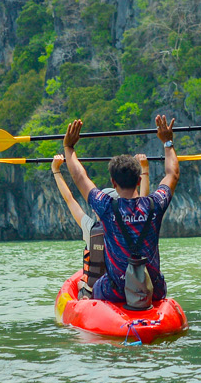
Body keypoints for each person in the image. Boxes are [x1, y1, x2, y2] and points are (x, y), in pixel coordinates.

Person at [63, 115, 180, 306]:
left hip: (116, 291)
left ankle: (87, 301)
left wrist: (69, 148)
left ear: (113, 183)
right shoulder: (155, 204)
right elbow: (172, 174)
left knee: (94, 285)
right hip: (154, 289)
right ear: (139, 180)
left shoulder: (106, 207)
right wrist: (168, 142)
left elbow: (80, 177)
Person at [51, 153, 152, 299]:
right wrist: (144, 168)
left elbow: (69, 199)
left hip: (96, 290)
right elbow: (143, 198)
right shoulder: (133, 222)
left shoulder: (89, 227)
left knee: (80, 284)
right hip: (128, 287)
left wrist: (56, 170)